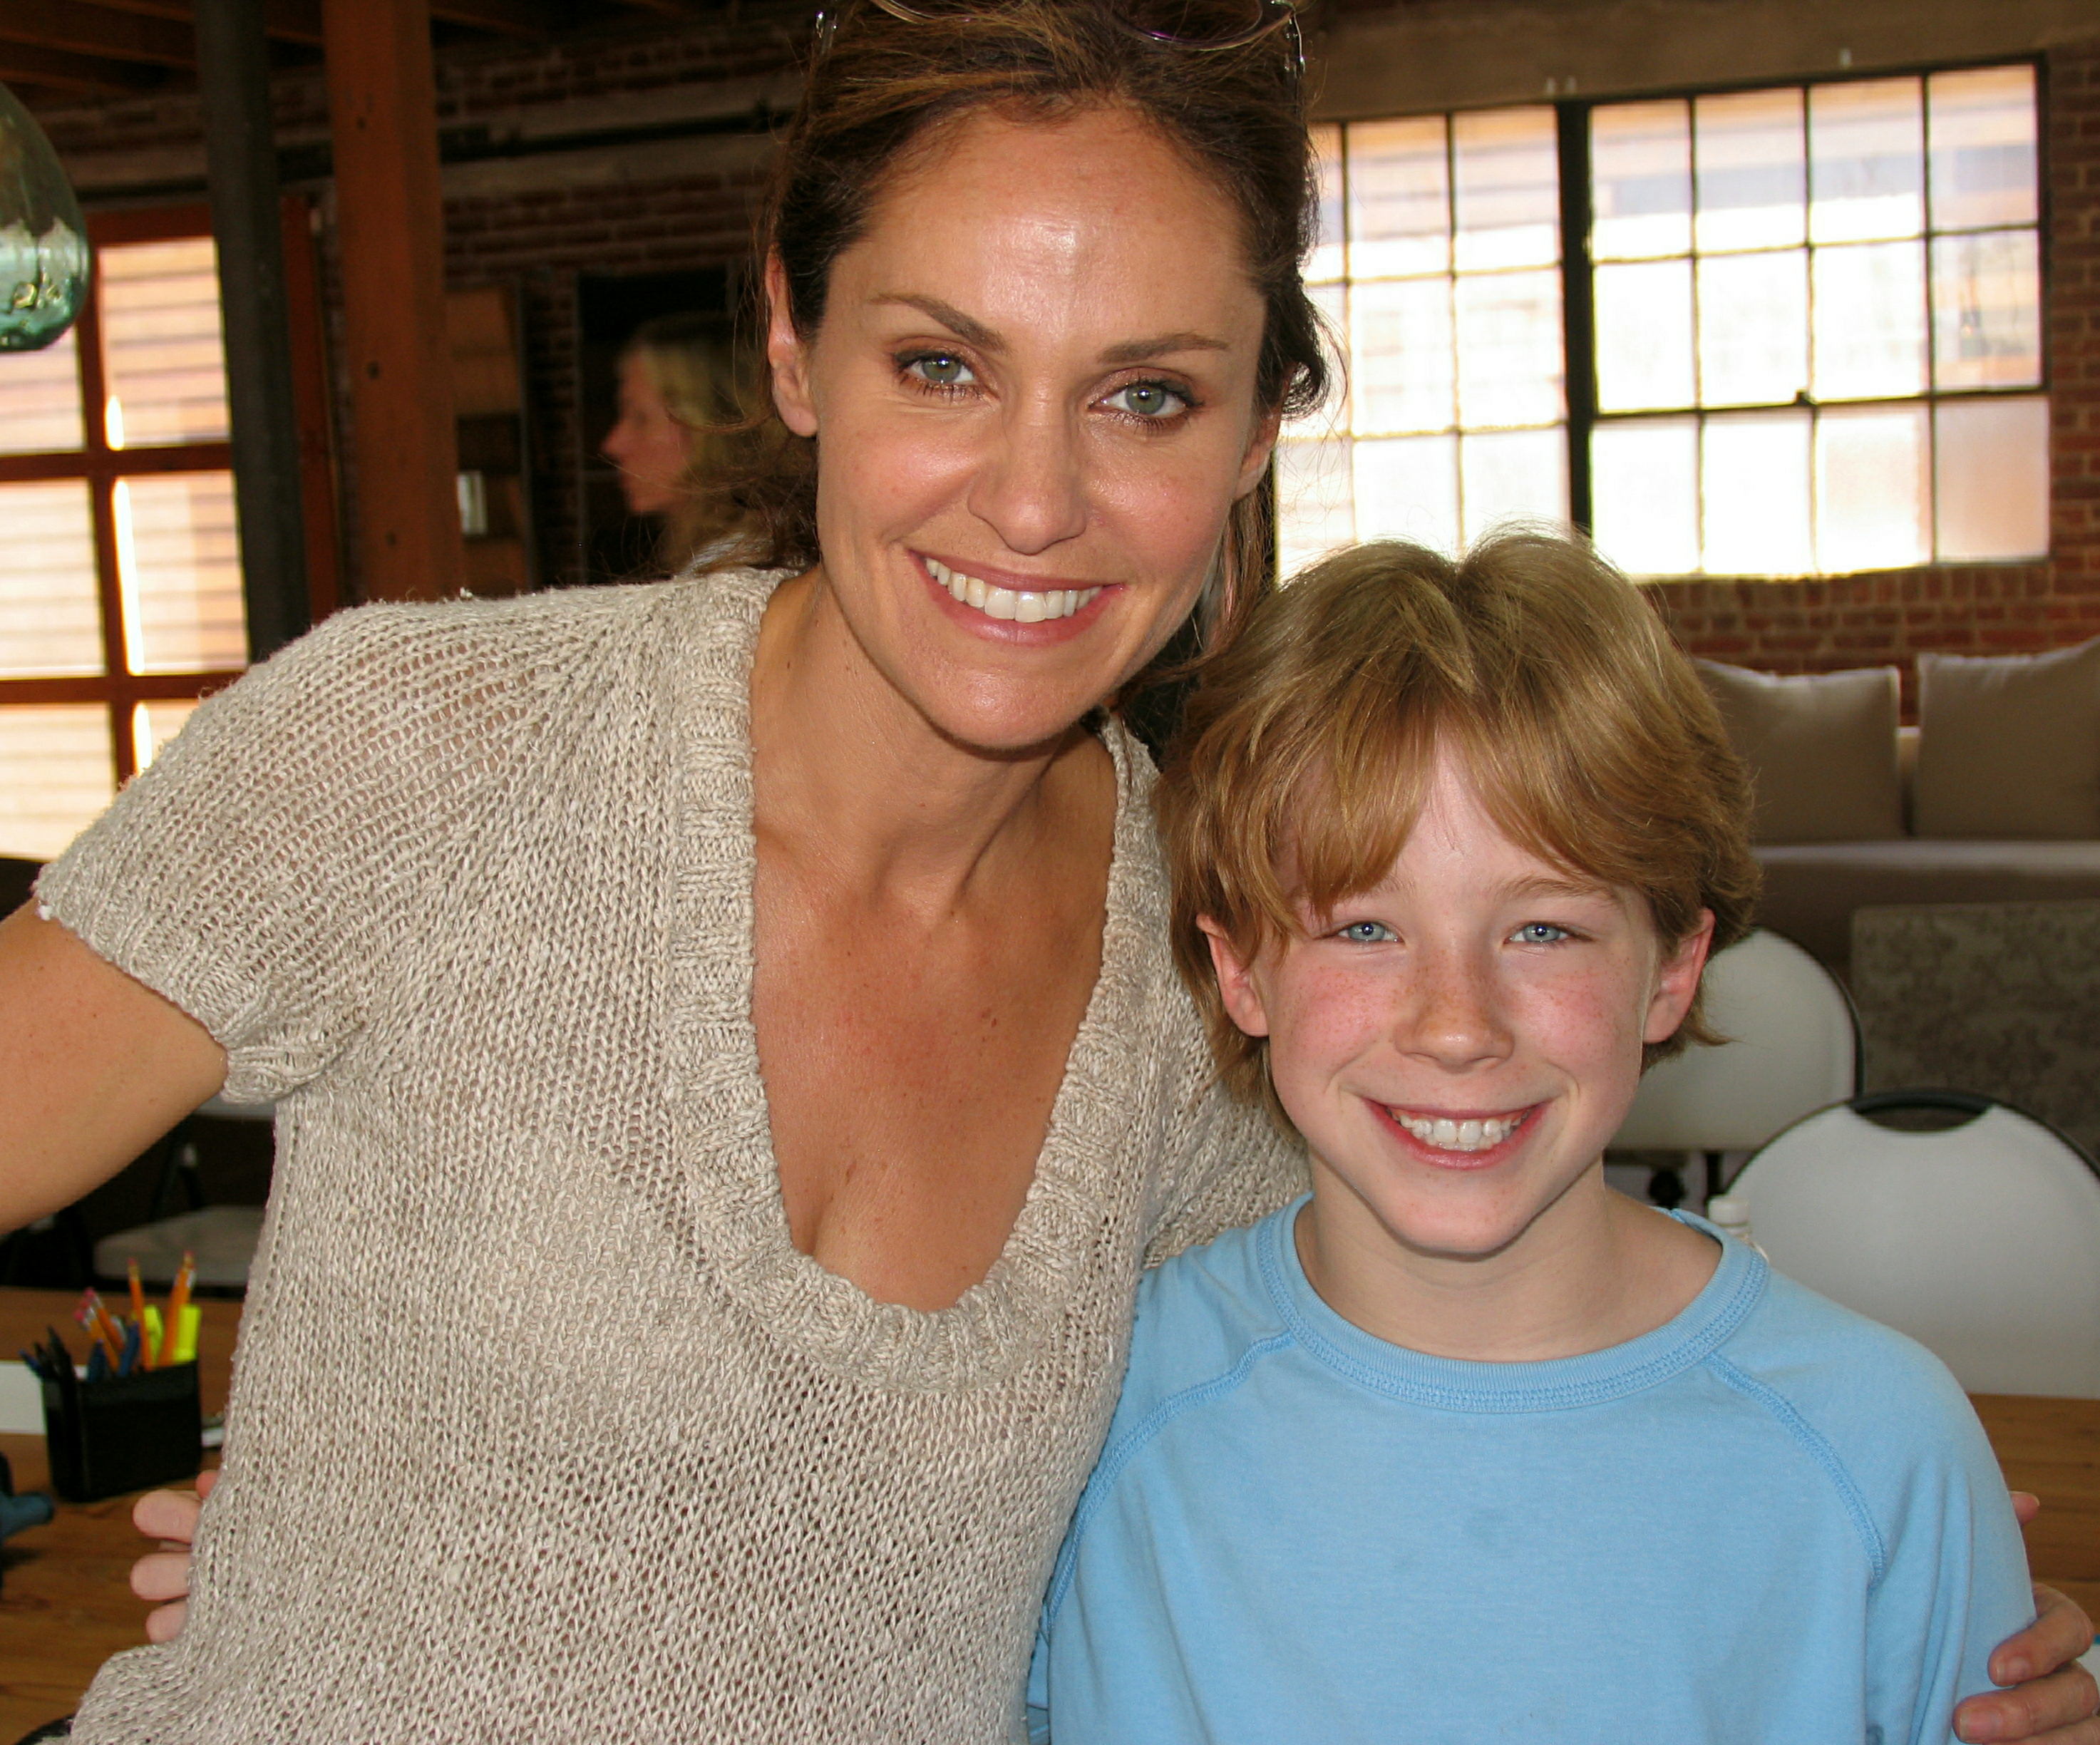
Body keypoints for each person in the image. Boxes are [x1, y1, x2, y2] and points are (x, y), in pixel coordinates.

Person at [0, 2, 2089, 1740]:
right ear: (794, 348)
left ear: (1252, 442)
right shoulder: (424, 758)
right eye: (940, 364)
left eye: (1146, 398)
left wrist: (1904, 1564)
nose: (1033, 501)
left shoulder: (1208, 963)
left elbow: (1462, 1357)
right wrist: (327, 1546)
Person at [1029, 534, 2044, 1744]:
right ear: (1241, 969)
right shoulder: (1085, 1422)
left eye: (1545, 929)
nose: (1456, 1024)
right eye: (1362, 927)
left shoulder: (1880, 1445)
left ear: (1673, 967)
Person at [599, 311, 762, 572]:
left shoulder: (740, 568)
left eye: (640, 417)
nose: (613, 444)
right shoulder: (719, 556)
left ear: (711, 424)